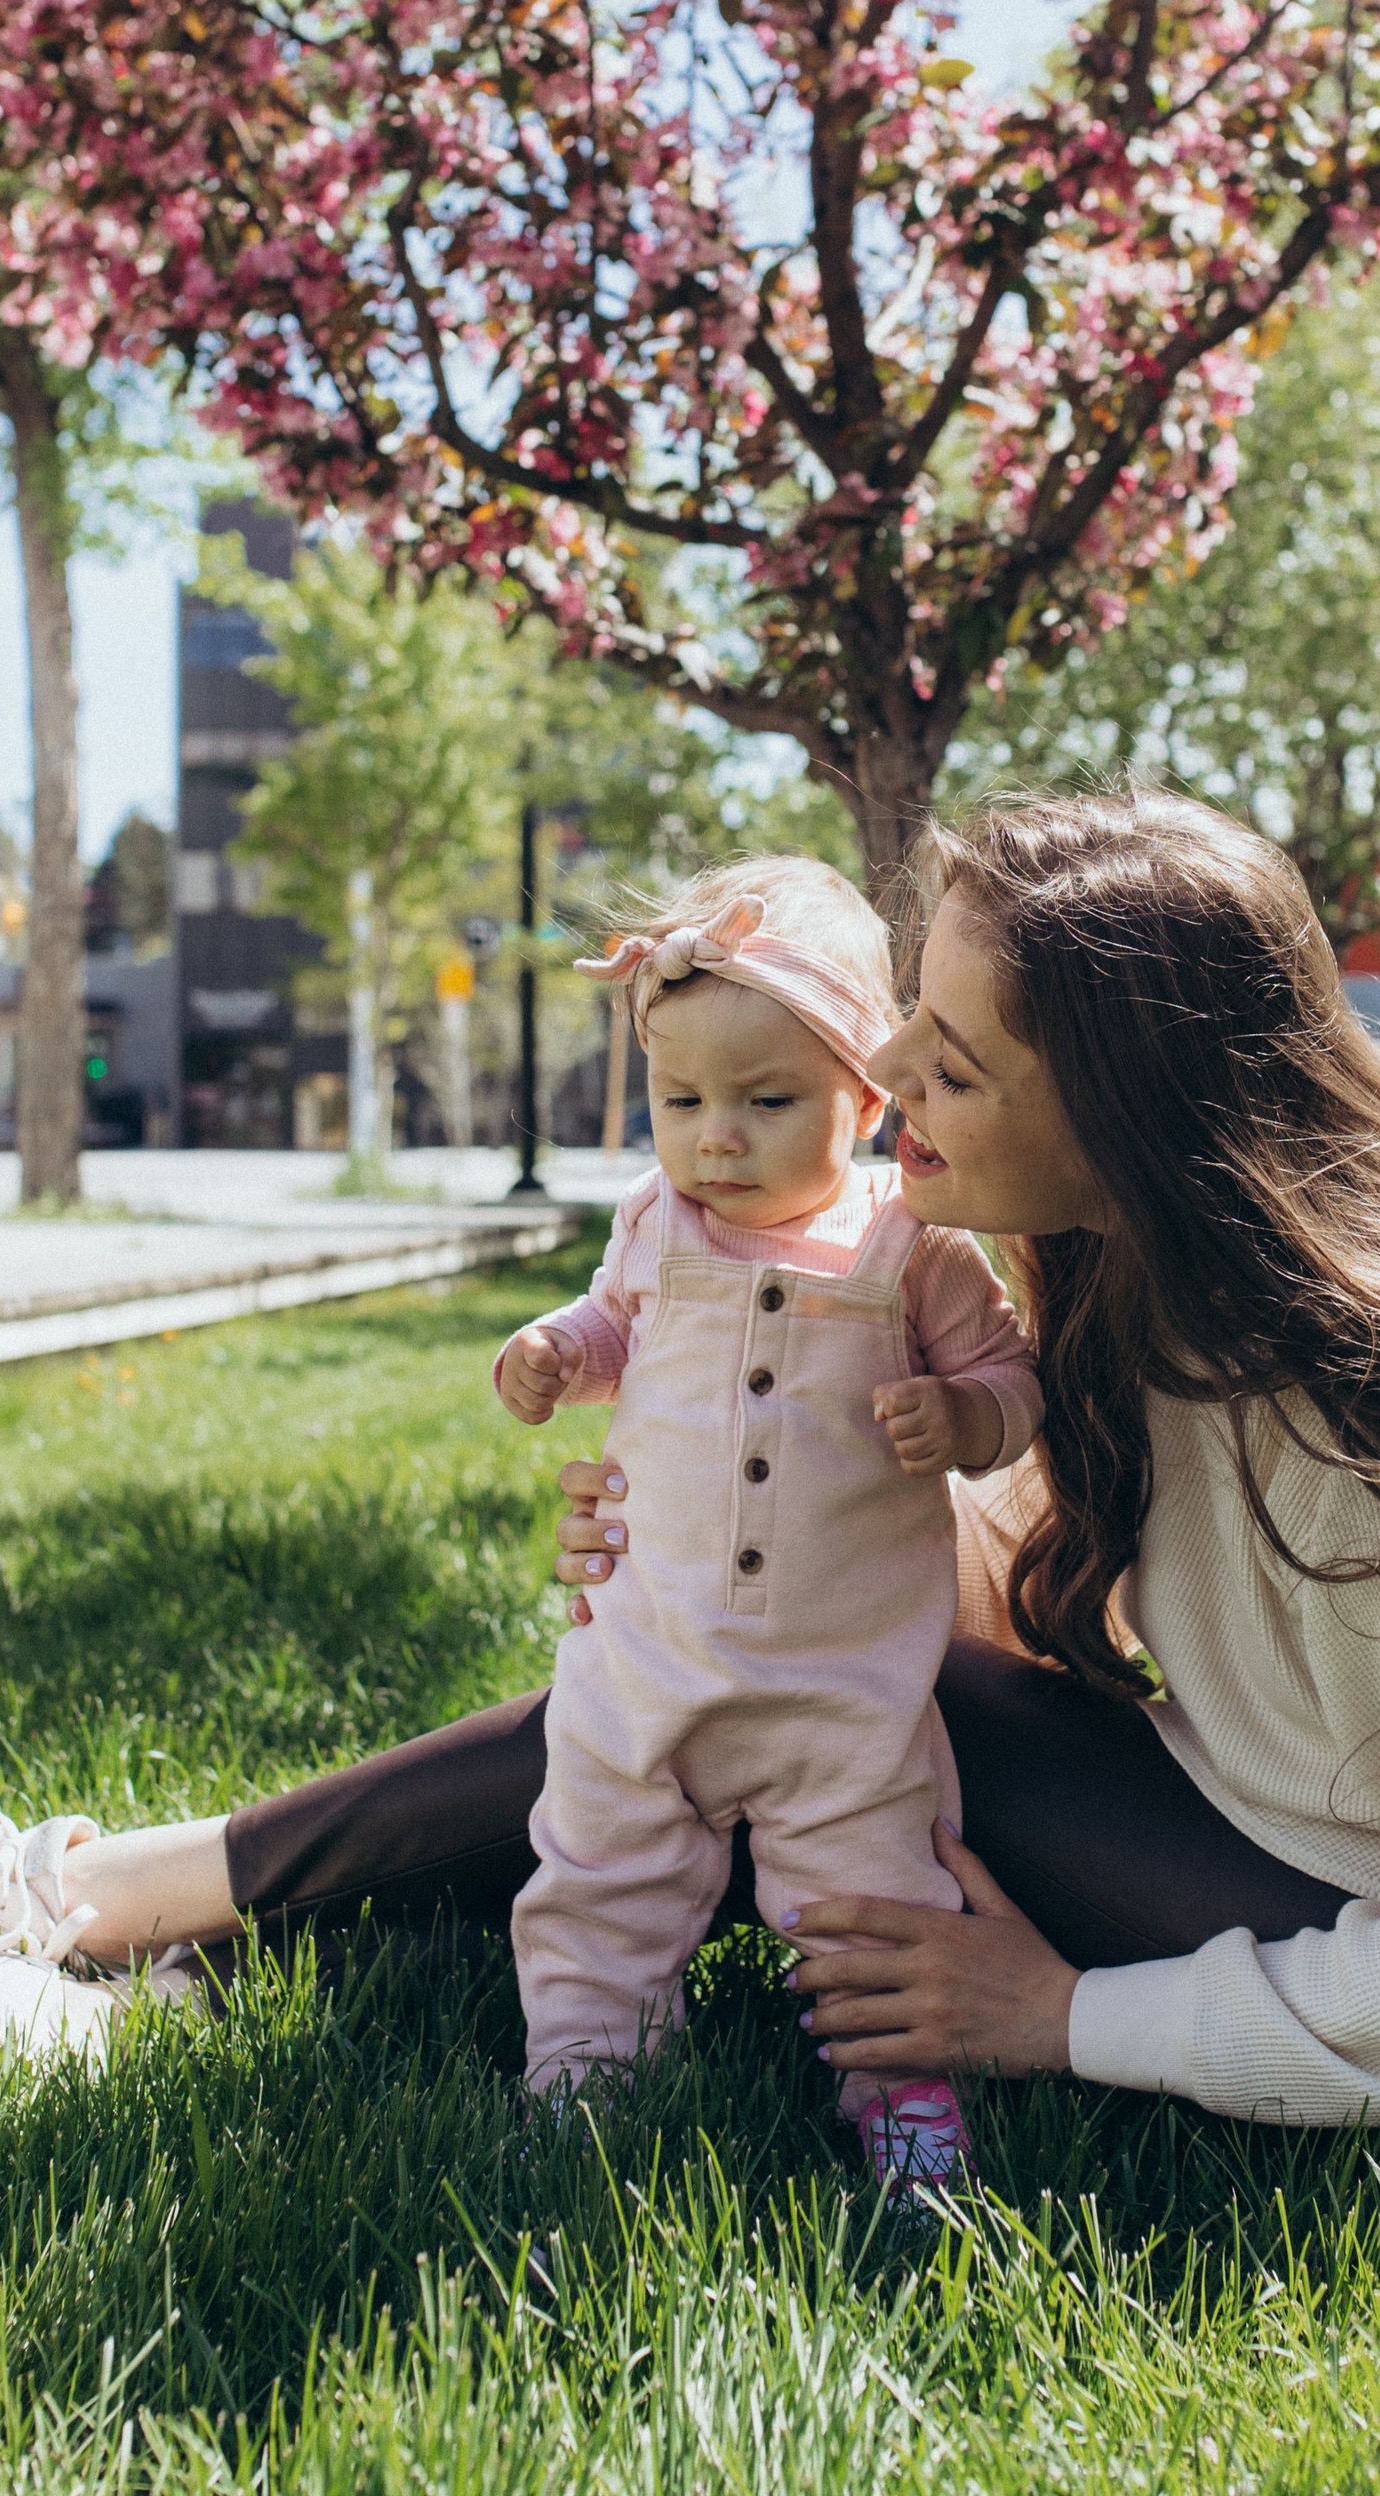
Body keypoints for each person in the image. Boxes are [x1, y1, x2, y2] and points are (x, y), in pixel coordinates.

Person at [0, 789, 1380, 2128]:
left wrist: (1046, 2017)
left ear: (1126, 1098)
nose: (886, 1084)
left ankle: (97, 1914)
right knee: (747, 1680)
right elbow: (1007, 1602)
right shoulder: (1144, 1278)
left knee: (822, 1716)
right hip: (1297, 1854)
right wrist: (726, 1523)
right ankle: (148, 1933)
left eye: (949, 1058)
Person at [496, 859, 1039, 2189]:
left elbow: (1016, 1384)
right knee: (598, 1863)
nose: (714, 1138)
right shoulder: (657, 1225)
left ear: (863, 1101)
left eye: (764, 1100)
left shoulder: (912, 1251)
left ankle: (901, 2092)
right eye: (680, 1101)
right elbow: (615, 1327)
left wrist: (965, 1421)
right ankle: (585, 2066)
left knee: (876, 1896)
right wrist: (557, 1351)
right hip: (650, 1658)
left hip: (842, 1687)